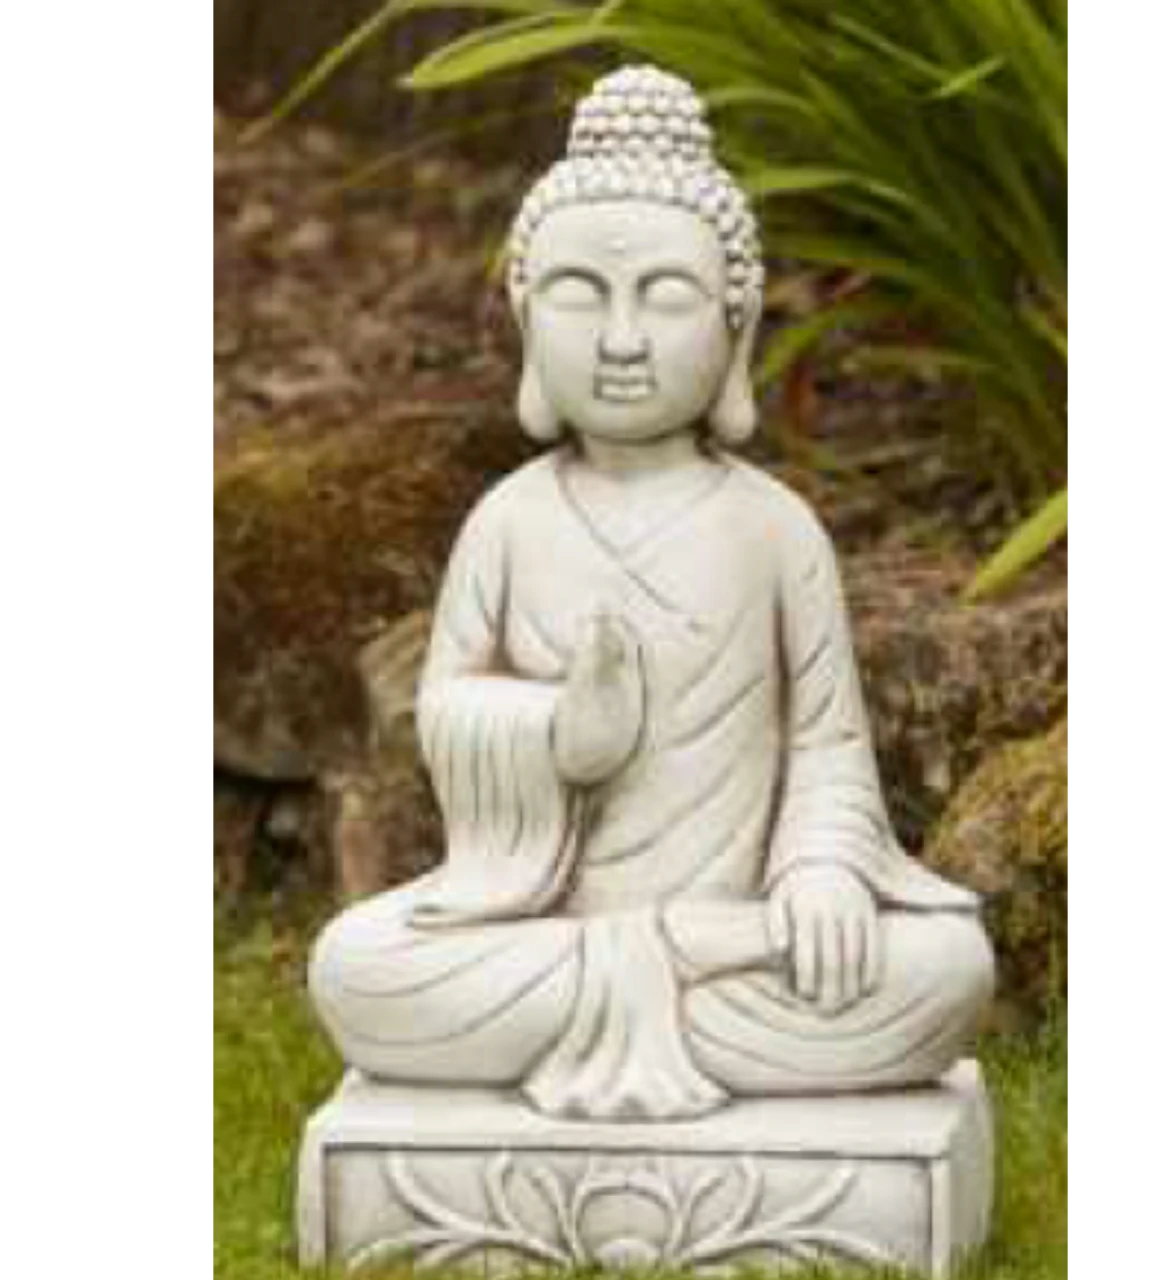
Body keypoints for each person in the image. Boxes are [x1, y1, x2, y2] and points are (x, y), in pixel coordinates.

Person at [309, 66, 993, 1122]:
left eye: (665, 297)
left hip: (737, 930)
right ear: (525, 315)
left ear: (736, 323)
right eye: (580, 295)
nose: (620, 340)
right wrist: (554, 732)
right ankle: (658, 968)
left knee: (943, 969)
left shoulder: (775, 530)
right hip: (574, 937)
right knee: (356, 967)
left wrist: (818, 876)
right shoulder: (506, 522)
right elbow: (445, 711)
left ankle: (661, 969)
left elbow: (826, 748)